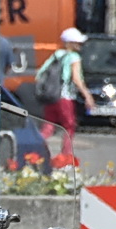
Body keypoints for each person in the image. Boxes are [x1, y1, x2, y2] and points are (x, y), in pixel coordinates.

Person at [38, 27, 92, 159]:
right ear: (70, 43)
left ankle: (34, 149)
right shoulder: (74, 57)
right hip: (65, 96)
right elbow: (76, 79)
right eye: (78, 42)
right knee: (69, 126)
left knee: (49, 125)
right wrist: (87, 96)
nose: (80, 45)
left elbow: (40, 74)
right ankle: (66, 157)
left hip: (51, 96)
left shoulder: (56, 55)